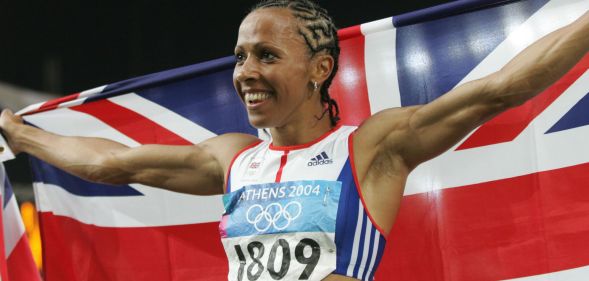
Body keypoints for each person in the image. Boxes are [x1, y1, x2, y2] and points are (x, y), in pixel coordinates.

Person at [1, 0, 588, 280]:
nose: (245, 72)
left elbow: (501, 89)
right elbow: (112, 164)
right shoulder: (232, 158)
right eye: (239, 57)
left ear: (318, 68)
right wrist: (22, 136)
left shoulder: (371, 148)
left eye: (266, 55)